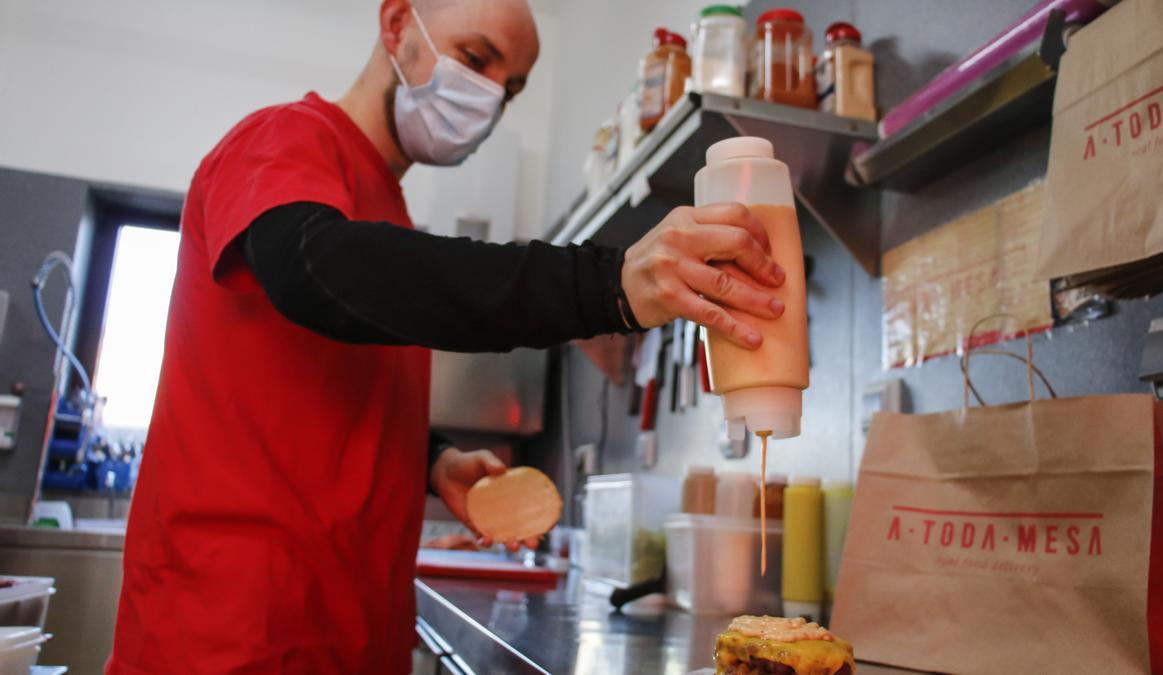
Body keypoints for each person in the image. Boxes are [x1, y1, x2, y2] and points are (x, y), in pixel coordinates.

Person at [107, 0, 787, 672]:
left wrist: (430, 459)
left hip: (349, 632)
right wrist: (607, 286)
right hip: (228, 634)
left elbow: (318, 395)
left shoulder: (391, 219)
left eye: (511, 87)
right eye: (476, 57)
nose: (490, 97)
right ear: (398, 22)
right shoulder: (284, 139)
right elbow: (312, 267)